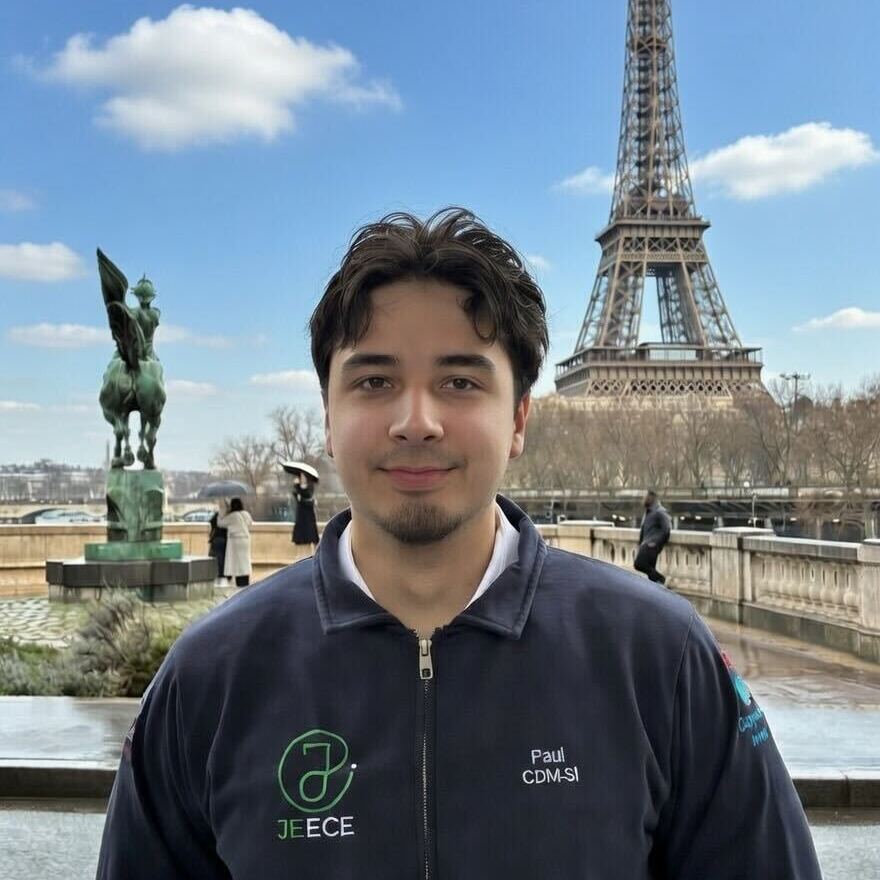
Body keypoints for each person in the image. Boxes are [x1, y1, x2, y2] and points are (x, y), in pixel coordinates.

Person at [96, 208, 821, 878]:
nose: (417, 421)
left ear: (520, 418)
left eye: (460, 382)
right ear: (327, 417)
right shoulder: (207, 678)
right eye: (375, 381)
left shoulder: (662, 659)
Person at [634, 489, 671, 585]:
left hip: (651, 545)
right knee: (650, 571)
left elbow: (666, 529)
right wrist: (640, 543)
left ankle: (661, 579)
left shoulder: (659, 511)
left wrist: (656, 543)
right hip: (645, 544)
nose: (643, 499)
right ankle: (656, 585)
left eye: (645, 497)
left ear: (651, 498)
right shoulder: (648, 512)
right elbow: (644, 530)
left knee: (639, 564)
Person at [216, 497, 252, 588]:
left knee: (238, 564)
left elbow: (220, 523)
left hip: (236, 540)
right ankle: (245, 580)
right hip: (246, 540)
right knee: (244, 562)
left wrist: (222, 510)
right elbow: (250, 523)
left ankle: (240, 582)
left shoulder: (233, 516)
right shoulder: (246, 514)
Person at [291, 472, 319, 552]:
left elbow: (307, 495)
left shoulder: (310, 486)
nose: (302, 478)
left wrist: (301, 498)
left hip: (308, 511)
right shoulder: (297, 487)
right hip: (301, 512)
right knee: (301, 533)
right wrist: (296, 485)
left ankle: (312, 552)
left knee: (311, 532)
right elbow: (297, 498)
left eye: (304, 476)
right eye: (301, 476)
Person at [207, 510, 228, 585]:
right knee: (222, 559)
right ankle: (221, 575)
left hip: (215, 540)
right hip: (223, 540)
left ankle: (216, 575)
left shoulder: (216, 517)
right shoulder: (226, 517)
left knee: (216, 558)